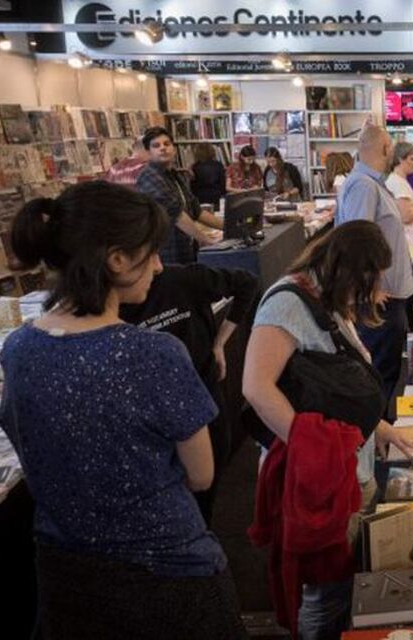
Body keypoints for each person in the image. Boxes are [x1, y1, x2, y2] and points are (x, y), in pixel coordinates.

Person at [0, 182, 246, 638]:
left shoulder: (17, 349)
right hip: (165, 571)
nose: (158, 265)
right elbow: (202, 475)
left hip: (66, 570)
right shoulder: (153, 354)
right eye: (150, 253)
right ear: (115, 260)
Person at [243, 221, 413, 639]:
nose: (378, 292)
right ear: (351, 271)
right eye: (373, 280)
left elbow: (335, 390)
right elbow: (255, 385)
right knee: (324, 591)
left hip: (345, 471)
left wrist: (380, 428)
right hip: (320, 479)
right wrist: (312, 449)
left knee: (341, 582)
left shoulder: (324, 298)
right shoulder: (288, 303)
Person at [120, 263, 258, 525]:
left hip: (206, 401)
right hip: (154, 423)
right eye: (149, 255)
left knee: (204, 493)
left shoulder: (183, 279)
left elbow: (247, 283)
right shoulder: (111, 309)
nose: (157, 265)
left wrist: (219, 342)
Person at [335, 125, 413, 414]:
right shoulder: (363, 186)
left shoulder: (370, 183)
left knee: (385, 370)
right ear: (384, 149)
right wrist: (372, 288)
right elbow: (356, 242)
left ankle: (377, 432)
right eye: (390, 145)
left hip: (387, 295)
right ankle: (375, 437)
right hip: (380, 299)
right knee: (379, 373)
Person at [136, 126, 219, 264]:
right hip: (168, 255)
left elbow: (196, 211)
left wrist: (230, 227)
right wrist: (205, 239)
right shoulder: (149, 176)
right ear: (149, 153)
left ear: (174, 149)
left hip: (186, 248)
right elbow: (176, 214)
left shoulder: (175, 175)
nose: (163, 148)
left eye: (166, 144)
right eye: (156, 146)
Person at [190, 143, 226, 208]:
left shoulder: (194, 167)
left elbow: (193, 188)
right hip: (216, 198)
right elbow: (223, 186)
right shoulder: (219, 165)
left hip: (200, 199)